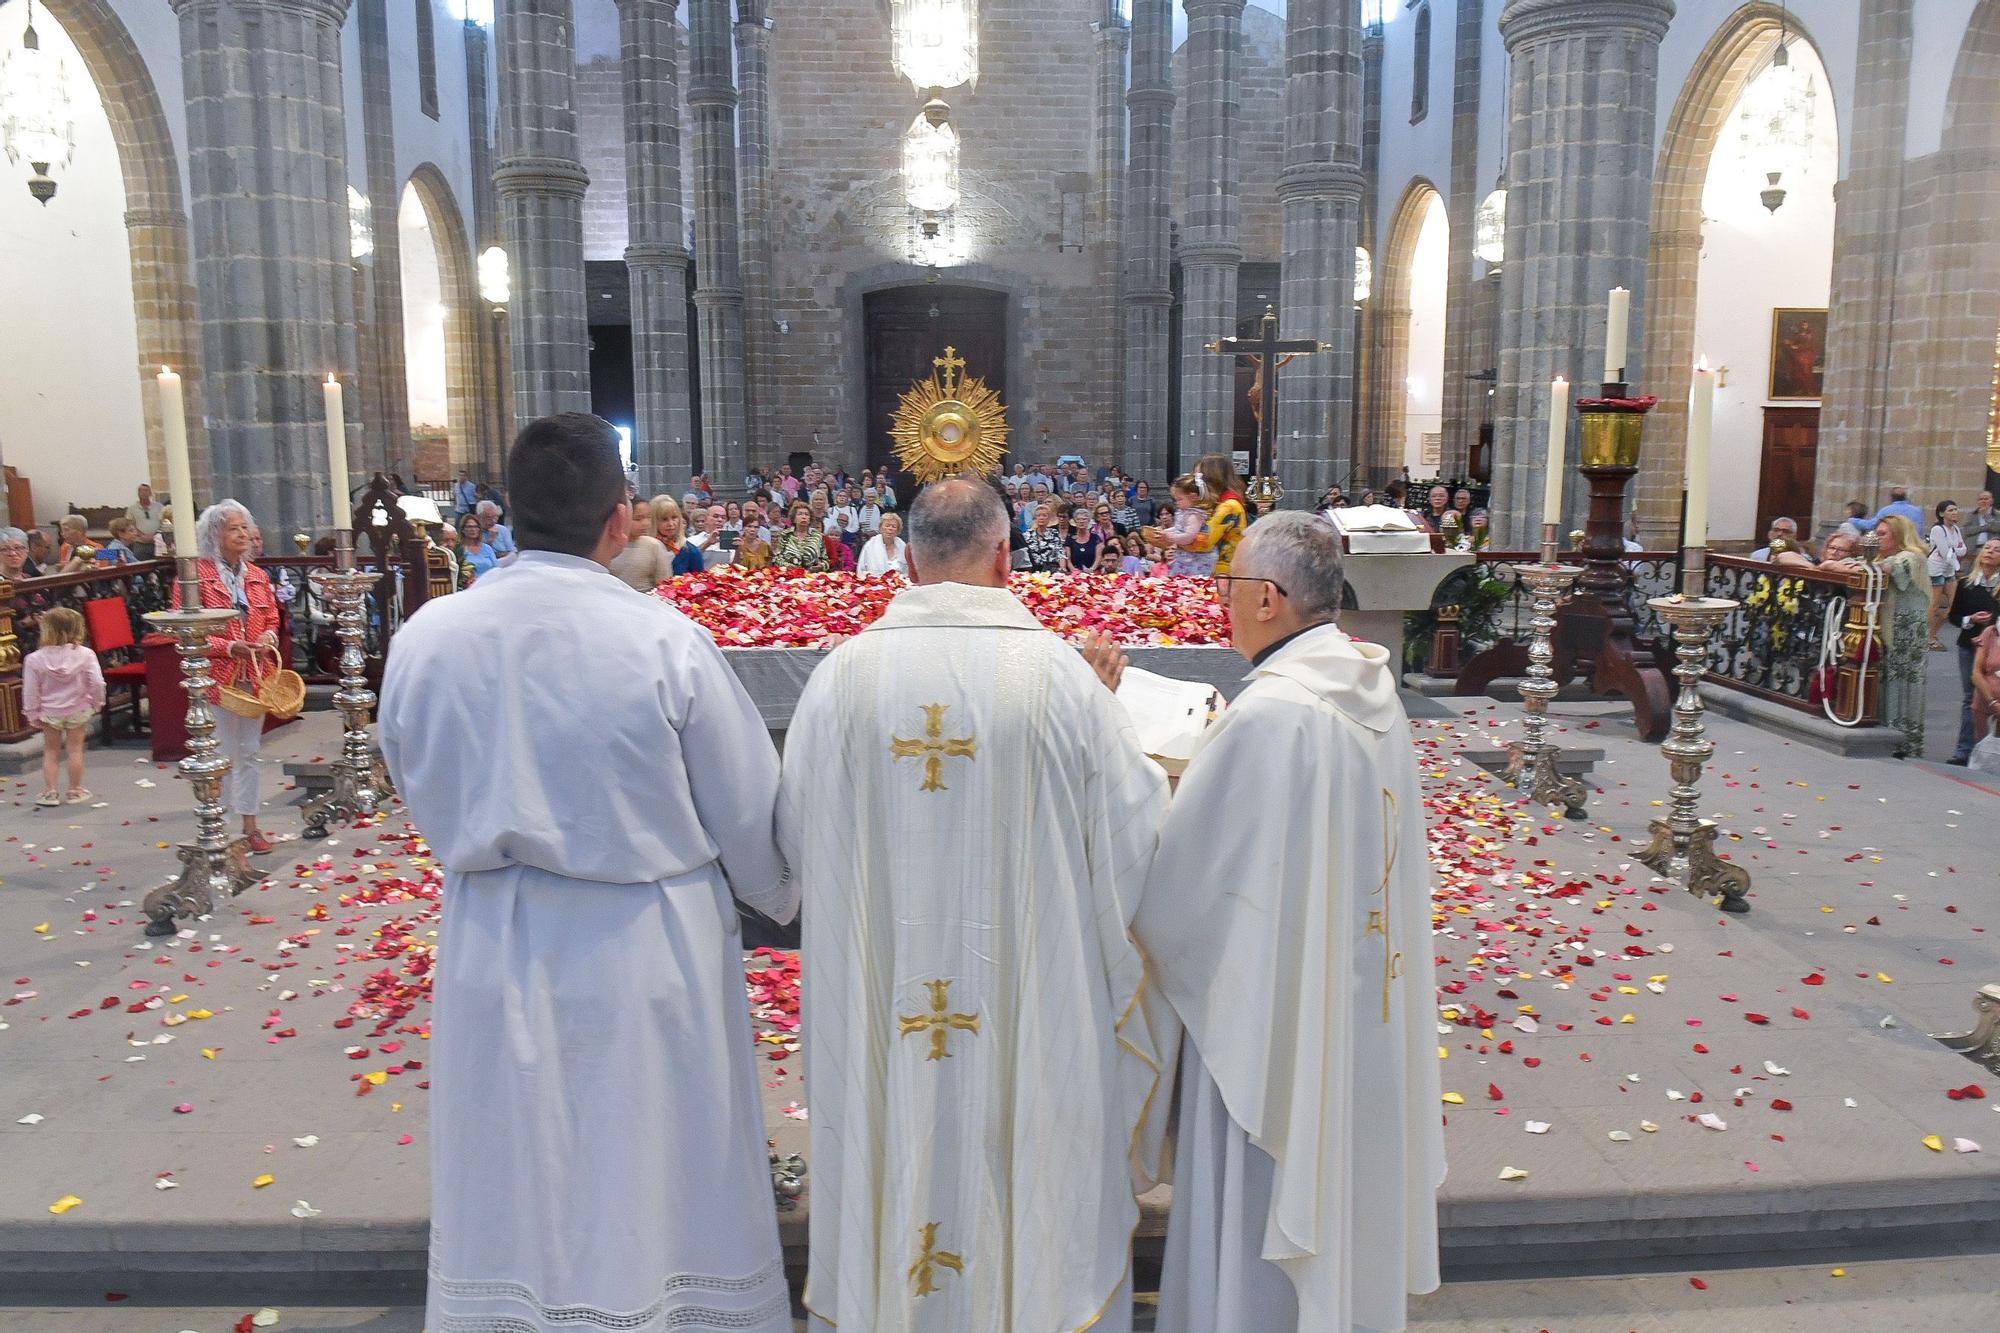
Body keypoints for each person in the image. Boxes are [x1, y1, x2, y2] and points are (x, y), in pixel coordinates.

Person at [381, 413, 794, 1333]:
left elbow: (411, 776)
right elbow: (749, 813)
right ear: (622, 519)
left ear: (508, 514)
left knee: (518, 1157)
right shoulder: (662, 640)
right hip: (647, 946)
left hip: (494, 935)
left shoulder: (428, 636)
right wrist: (779, 895)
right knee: (652, 1169)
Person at [779, 478, 1171, 1333]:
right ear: (1005, 554)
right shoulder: (1063, 680)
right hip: (1029, 1008)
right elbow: (1136, 841)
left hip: (886, 1008)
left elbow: (798, 842)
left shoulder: (842, 677)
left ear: (907, 561)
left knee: (894, 1151)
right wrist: (1110, 712)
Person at [1136, 512, 1444, 1333]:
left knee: (1264, 1198)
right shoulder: (1373, 690)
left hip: (1279, 1023)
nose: (1221, 600)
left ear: (1267, 598)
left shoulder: (1272, 715)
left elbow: (1176, 887)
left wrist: (1130, 762)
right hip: (1357, 1017)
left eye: (1228, 583)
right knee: (1348, 1176)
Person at [176, 500, 280, 853]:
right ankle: (216, 825)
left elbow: (271, 618)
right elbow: (187, 631)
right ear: (213, 534)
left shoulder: (257, 575)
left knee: (250, 751)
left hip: (255, 675)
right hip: (217, 678)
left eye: (244, 527)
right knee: (219, 753)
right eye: (233, 528)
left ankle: (250, 823)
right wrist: (229, 645)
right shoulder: (194, 577)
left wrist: (268, 637)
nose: (243, 534)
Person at [24, 606, 105, 808]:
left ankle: (50, 792)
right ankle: (75, 790)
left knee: (51, 751)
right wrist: (97, 702)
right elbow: (97, 683)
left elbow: (31, 690)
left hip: (49, 712)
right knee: (75, 750)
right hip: (78, 707)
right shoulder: (86, 655)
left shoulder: (34, 659)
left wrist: (32, 713)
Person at [1875, 514, 1931, 757]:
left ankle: (1903, 741)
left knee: (1902, 683)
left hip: (1906, 633)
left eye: (1881, 534)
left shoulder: (1912, 556)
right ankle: (1885, 730)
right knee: (1886, 680)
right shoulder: (1888, 556)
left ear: (1898, 534)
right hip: (1892, 629)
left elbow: (1885, 569)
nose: (1876, 539)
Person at [1946, 539, 2000, 765]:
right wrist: (1970, 620)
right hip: (1969, 646)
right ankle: (1965, 750)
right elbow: (1954, 616)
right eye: (1987, 548)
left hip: (1995, 646)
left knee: (1995, 694)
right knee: (1971, 697)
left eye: (1996, 550)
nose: (1990, 552)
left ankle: (1993, 750)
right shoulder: (1967, 583)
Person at [607, 496, 675, 591]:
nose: (645, 523)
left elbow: (665, 583)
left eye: (648, 517)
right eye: (638, 519)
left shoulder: (654, 546)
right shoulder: (608, 546)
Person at [1157, 473, 1219, 577]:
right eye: (1175, 499)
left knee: (1193, 583)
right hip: (1185, 555)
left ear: (1193, 497)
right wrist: (1164, 532)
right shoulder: (1184, 512)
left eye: (1180, 499)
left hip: (1197, 558)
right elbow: (1178, 529)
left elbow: (1189, 536)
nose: (1177, 503)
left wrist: (1169, 537)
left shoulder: (1194, 515)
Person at [1928, 500, 1967, 650]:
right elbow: (1946, 553)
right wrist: (1955, 555)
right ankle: (1930, 638)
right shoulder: (1938, 530)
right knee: (1935, 605)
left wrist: (1954, 551)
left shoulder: (1955, 529)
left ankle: (1932, 633)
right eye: (1950, 510)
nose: (1954, 512)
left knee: (1954, 604)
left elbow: (1962, 549)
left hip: (1949, 570)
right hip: (1936, 569)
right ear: (1942, 513)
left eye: (1955, 509)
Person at [650, 495, 706, 576]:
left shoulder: (691, 551)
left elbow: (700, 584)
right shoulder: (645, 548)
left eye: (674, 517)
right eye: (664, 519)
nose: (671, 524)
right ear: (654, 521)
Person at [773, 500, 831, 571]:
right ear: (794, 518)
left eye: (806, 514)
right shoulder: (785, 535)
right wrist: (787, 566)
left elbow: (825, 560)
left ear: (810, 519)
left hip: (812, 577)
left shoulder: (818, 536)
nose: (804, 517)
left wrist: (821, 566)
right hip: (789, 575)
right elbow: (776, 558)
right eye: (800, 514)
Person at [855, 510, 908, 576]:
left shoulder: (903, 546)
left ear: (898, 531)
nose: (890, 529)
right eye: (887, 525)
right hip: (874, 583)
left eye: (893, 526)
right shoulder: (870, 545)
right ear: (880, 528)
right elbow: (861, 569)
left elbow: (907, 571)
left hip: (899, 583)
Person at [1855, 486, 1925, 533]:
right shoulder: (1917, 511)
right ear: (1905, 497)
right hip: (1916, 547)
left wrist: (1852, 520)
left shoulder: (1886, 510)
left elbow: (1870, 525)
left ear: (1891, 497)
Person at [1024, 500, 1066, 573]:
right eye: (1038, 515)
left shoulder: (1054, 533)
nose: (1041, 518)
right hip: (1033, 570)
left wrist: (1062, 568)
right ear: (1035, 518)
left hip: (1051, 569)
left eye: (1044, 515)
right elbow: (1024, 555)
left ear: (1049, 518)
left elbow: (1060, 553)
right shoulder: (1027, 535)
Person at [126, 483, 164, 558]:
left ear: (150, 493)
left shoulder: (159, 507)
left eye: (146, 491)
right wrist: (142, 535)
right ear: (138, 493)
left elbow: (165, 522)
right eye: (141, 491)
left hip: (158, 543)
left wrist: (155, 535)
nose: (143, 493)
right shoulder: (132, 509)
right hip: (140, 543)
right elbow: (130, 524)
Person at [458, 515, 500, 581]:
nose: (473, 529)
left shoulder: (487, 548)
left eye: (476, 527)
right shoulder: (459, 550)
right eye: (469, 527)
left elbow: (496, 568)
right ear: (463, 530)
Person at [1065, 506, 1102, 572]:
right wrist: (1073, 569)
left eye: (1084, 519)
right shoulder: (1069, 539)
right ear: (1075, 522)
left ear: (1089, 521)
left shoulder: (1096, 538)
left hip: (1093, 573)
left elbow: (1099, 557)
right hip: (1074, 573)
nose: (1081, 521)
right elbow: (1067, 558)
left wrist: (1091, 569)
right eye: (1078, 519)